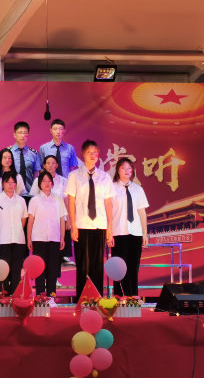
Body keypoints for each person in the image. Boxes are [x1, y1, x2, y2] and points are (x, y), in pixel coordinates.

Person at [66, 140, 115, 298]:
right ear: (83, 155)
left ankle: (97, 299)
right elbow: (71, 202)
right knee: (82, 264)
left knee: (97, 264)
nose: (93, 155)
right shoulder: (74, 176)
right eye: (89, 152)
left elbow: (108, 203)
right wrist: (73, 225)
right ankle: (82, 299)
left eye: (95, 152)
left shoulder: (105, 177)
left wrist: (109, 228)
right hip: (81, 224)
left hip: (100, 224)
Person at [39, 119, 79, 265]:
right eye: (55, 129)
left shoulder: (70, 148)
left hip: (65, 185)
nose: (58, 131)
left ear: (64, 131)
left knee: (66, 218)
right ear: (51, 131)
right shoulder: (44, 148)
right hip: (49, 185)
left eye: (61, 129)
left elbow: (73, 168)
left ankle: (66, 254)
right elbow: (41, 168)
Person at [109, 158, 149, 297]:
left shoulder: (138, 189)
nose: (127, 170)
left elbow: (142, 212)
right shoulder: (111, 188)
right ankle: (119, 296)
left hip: (135, 233)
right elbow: (108, 212)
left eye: (129, 168)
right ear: (117, 170)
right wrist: (108, 233)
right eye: (123, 168)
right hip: (118, 232)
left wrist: (144, 233)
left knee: (133, 266)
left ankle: (132, 296)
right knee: (119, 267)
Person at [26, 171, 67, 300]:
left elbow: (62, 220)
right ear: (39, 184)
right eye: (44, 181)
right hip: (38, 238)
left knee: (52, 269)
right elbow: (30, 220)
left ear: (52, 184)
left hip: (54, 238)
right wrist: (29, 238)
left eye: (49, 181)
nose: (47, 183)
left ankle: (51, 297)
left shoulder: (58, 200)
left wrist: (62, 238)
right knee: (39, 269)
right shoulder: (34, 200)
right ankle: (40, 296)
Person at [0, 172, 28, 295]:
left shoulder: (21, 201)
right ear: (3, 184)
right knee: (3, 269)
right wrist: (1, 231)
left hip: (18, 240)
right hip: (2, 239)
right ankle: (3, 296)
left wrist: (17, 230)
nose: (11, 185)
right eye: (8, 182)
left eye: (13, 182)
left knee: (16, 269)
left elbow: (23, 219)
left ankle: (14, 295)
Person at [9, 122, 41, 202]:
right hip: (13, 193)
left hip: (30, 194)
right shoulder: (8, 153)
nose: (23, 135)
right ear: (14, 135)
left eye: (25, 133)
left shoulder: (33, 153)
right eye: (20, 133)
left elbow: (36, 174)